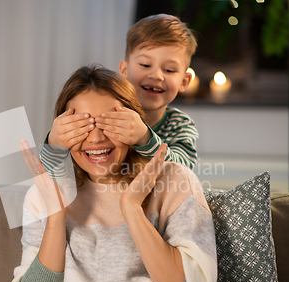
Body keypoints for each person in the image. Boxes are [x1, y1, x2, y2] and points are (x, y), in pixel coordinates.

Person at [8, 65, 216, 282]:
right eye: (81, 126)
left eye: (109, 124)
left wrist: (131, 209)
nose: (95, 138)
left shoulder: (176, 181)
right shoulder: (45, 193)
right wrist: (56, 217)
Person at [40, 14, 199, 175]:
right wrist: (54, 143)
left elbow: (183, 173)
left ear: (184, 82)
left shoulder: (180, 125)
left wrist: (144, 138)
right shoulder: (105, 109)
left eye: (169, 70)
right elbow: (48, 175)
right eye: (145, 64)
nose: (157, 75)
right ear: (124, 70)